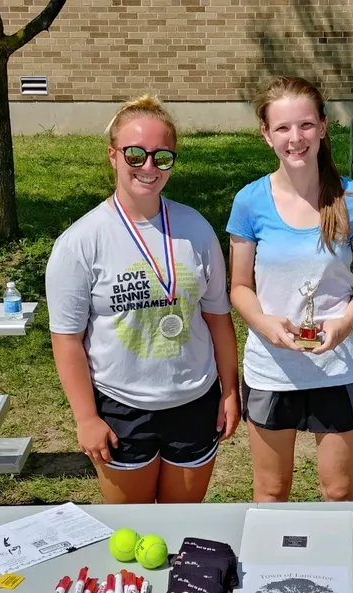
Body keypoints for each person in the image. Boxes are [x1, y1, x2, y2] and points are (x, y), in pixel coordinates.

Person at [46, 95, 240, 504]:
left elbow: (219, 319)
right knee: (132, 534)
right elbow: (66, 340)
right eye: (136, 154)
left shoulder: (196, 229)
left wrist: (228, 392)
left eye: (162, 157)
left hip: (195, 401)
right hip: (121, 407)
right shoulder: (81, 242)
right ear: (113, 156)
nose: (148, 167)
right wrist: (86, 418)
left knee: (181, 530)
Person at [226, 76, 353, 503]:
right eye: (282, 128)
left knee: (339, 492)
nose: (295, 138)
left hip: (338, 367)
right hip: (272, 368)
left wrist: (342, 326)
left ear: (323, 126)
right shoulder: (249, 202)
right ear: (266, 134)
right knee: (273, 492)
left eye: (305, 125)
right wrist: (264, 323)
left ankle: (345, 569)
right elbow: (239, 287)